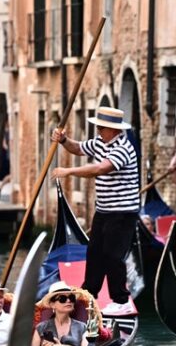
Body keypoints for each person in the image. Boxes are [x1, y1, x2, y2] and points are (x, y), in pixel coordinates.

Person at [52, 106, 140, 317]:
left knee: (113, 256)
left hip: (122, 213)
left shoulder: (123, 148)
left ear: (114, 129)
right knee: (94, 254)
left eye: (102, 127)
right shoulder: (101, 142)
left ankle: (121, 301)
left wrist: (69, 171)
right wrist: (64, 140)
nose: (99, 129)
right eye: (99, 126)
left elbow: (100, 169)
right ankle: (88, 294)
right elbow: (78, 148)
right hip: (104, 210)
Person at [31, 281, 90, 346]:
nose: (68, 301)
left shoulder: (82, 327)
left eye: (71, 298)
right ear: (52, 304)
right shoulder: (41, 327)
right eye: (63, 299)